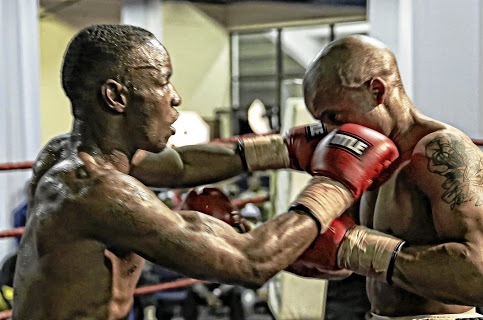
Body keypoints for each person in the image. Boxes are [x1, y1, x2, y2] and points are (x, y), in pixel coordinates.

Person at [12, 24, 398, 320]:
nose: (175, 96)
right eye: (162, 81)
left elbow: (182, 165)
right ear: (116, 97)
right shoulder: (94, 191)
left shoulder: (73, 154)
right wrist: (335, 183)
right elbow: (251, 264)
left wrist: (284, 148)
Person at [287, 35, 483, 319]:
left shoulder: (441, 151)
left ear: (376, 91)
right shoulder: (365, 159)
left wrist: (360, 250)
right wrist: (294, 249)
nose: (330, 132)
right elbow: (352, 253)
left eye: (335, 117)